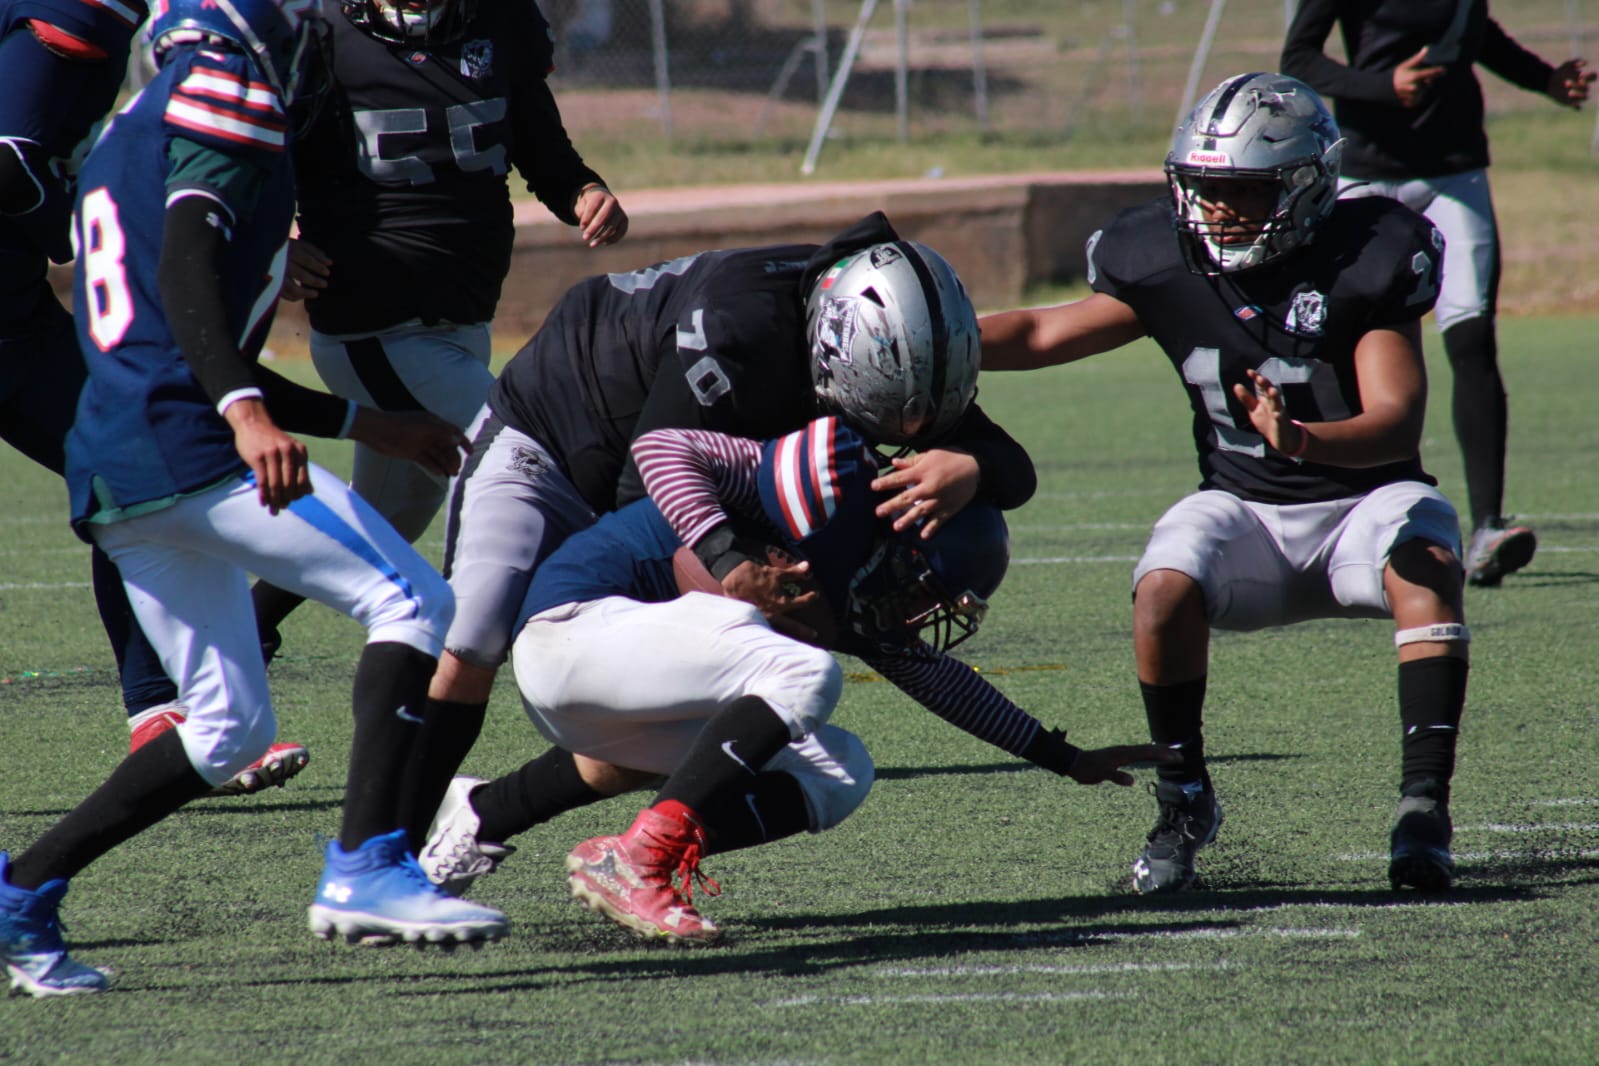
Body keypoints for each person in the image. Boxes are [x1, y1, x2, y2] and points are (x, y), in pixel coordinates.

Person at [0, 0, 506, 998]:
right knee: (415, 602)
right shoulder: (224, 93)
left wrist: (365, 427)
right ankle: (367, 865)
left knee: (225, 728)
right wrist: (241, 411)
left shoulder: (120, 139)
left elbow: (187, 335)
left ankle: (21, 891)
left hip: (119, 468)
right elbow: (192, 269)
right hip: (186, 451)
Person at [399, 213, 1040, 857]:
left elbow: (1012, 469)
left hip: (670, 464)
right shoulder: (740, 334)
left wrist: (972, 463)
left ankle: (486, 816)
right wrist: (745, 571)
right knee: (472, 639)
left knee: (693, 715)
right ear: (830, 354)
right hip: (551, 443)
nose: (896, 441)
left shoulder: (883, 349)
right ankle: (387, 849)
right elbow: (645, 494)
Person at [979, 73, 1471, 895]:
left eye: (1241, 193)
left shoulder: (1367, 251)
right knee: (1161, 585)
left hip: (1364, 504)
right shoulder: (1166, 258)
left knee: (1426, 560)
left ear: (1306, 186)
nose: (1218, 213)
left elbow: (1394, 419)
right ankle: (1183, 799)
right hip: (1245, 511)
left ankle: (1423, 805)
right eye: (1205, 191)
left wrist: (1302, 436)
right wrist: (933, 335)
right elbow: (1036, 329)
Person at [418, 416, 1172, 942]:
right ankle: (639, 858)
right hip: (571, 632)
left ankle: (486, 814)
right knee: (800, 671)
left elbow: (942, 683)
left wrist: (1063, 758)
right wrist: (728, 556)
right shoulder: (816, 502)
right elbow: (667, 448)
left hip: (619, 682)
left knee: (839, 768)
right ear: (904, 545)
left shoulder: (857, 588)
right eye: (925, 591)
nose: (920, 612)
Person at [246, 0, 629, 657]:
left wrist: (583, 191)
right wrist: (270, 243)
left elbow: (536, 140)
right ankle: (463, 647)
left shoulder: (498, 21)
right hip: (374, 322)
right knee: (523, 449)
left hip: (460, 315)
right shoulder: (317, 37)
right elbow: (253, 155)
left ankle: (252, 619)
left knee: (391, 513)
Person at [0, 0, 307, 793]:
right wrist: (62, 220)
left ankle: (168, 712)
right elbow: (15, 168)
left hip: (16, 316)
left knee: (138, 473)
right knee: (144, 469)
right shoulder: (70, 21)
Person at [1281, 3, 1594, 587]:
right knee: (1338, 340)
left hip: (1455, 172)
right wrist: (1381, 85)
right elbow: (1297, 58)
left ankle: (1487, 530)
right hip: (1368, 174)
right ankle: (1336, 515)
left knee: (1472, 338)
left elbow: (1478, 36)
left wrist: (1544, 79)